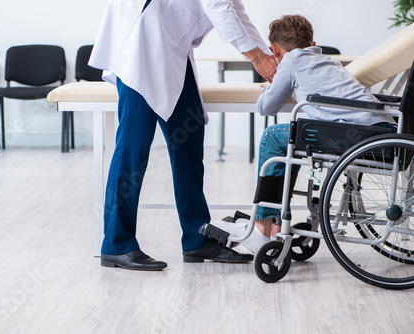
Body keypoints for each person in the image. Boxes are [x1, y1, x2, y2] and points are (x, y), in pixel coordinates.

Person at [88, 0, 277, 271]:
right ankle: (116, 244)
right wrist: (259, 59)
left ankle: (196, 237)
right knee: (133, 146)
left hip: (169, 46)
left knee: (188, 139)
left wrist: (272, 58)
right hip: (142, 43)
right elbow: (218, 7)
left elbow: (236, 10)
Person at [206, 14, 395, 252]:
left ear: (275, 51)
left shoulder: (290, 61)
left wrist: (272, 86)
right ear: (314, 45)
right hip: (383, 130)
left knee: (273, 136)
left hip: (355, 135)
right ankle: (275, 225)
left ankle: (262, 226)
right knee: (292, 137)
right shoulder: (328, 61)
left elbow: (266, 107)